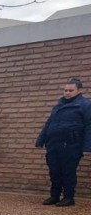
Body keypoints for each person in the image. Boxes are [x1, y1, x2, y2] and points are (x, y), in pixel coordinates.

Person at [35, 78, 91, 207]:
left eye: (71, 90)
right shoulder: (59, 105)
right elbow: (49, 123)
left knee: (68, 172)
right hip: (53, 143)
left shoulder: (85, 105)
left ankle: (68, 197)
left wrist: (87, 146)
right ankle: (54, 195)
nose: (67, 93)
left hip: (71, 144)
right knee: (54, 171)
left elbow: (89, 125)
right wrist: (41, 139)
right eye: (65, 90)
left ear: (79, 90)